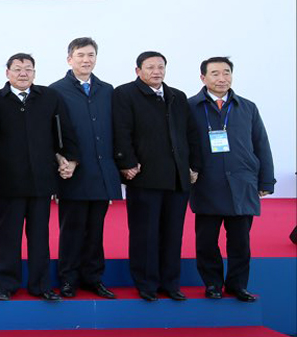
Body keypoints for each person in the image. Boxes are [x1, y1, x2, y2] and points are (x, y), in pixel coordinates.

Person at [0, 53, 79, 301]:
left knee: (40, 235)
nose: (23, 73)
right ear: (7, 73)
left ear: (35, 73)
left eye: (28, 69)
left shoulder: (49, 97)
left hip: (42, 178)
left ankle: (41, 285)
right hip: (10, 179)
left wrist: (70, 158)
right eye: (17, 69)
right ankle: (5, 284)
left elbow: (65, 132)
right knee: (8, 234)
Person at [112, 51, 202, 302]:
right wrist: (126, 162)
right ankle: (146, 283)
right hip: (144, 176)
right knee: (145, 233)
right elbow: (121, 131)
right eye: (150, 67)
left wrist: (194, 166)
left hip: (177, 178)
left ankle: (170, 283)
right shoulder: (125, 94)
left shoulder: (177, 96)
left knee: (173, 233)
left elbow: (191, 134)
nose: (156, 71)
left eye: (161, 67)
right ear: (138, 70)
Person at [188, 57, 275, 302]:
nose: (222, 78)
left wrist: (266, 180)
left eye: (226, 72)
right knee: (206, 241)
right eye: (215, 73)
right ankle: (213, 284)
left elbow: (261, 144)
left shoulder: (247, 107)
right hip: (207, 184)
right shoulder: (189, 106)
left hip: (241, 184)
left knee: (240, 242)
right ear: (203, 78)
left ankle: (238, 285)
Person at [49, 37, 122, 299]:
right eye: (80, 55)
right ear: (69, 59)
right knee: (71, 230)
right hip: (73, 172)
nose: (86, 60)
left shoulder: (107, 90)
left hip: (102, 172)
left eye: (90, 55)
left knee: (96, 230)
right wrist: (61, 160)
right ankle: (68, 279)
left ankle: (94, 278)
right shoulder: (55, 90)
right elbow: (52, 133)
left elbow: (116, 130)